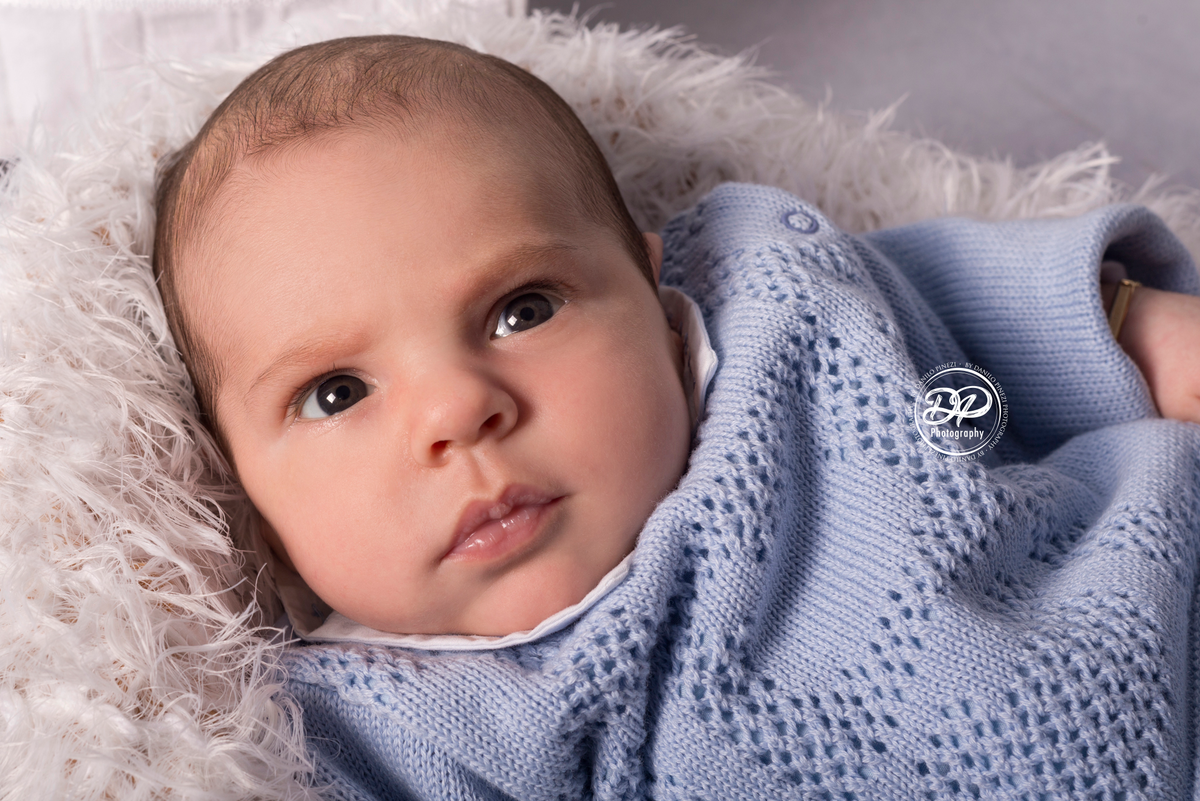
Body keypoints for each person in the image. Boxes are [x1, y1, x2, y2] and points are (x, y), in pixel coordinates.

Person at [153, 34, 1200, 800]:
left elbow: (967, 331)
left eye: (522, 309)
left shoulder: (773, 302)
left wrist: (1132, 329)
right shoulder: (385, 728)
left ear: (654, 298)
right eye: (337, 392)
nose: (461, 408)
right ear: (246, 500)